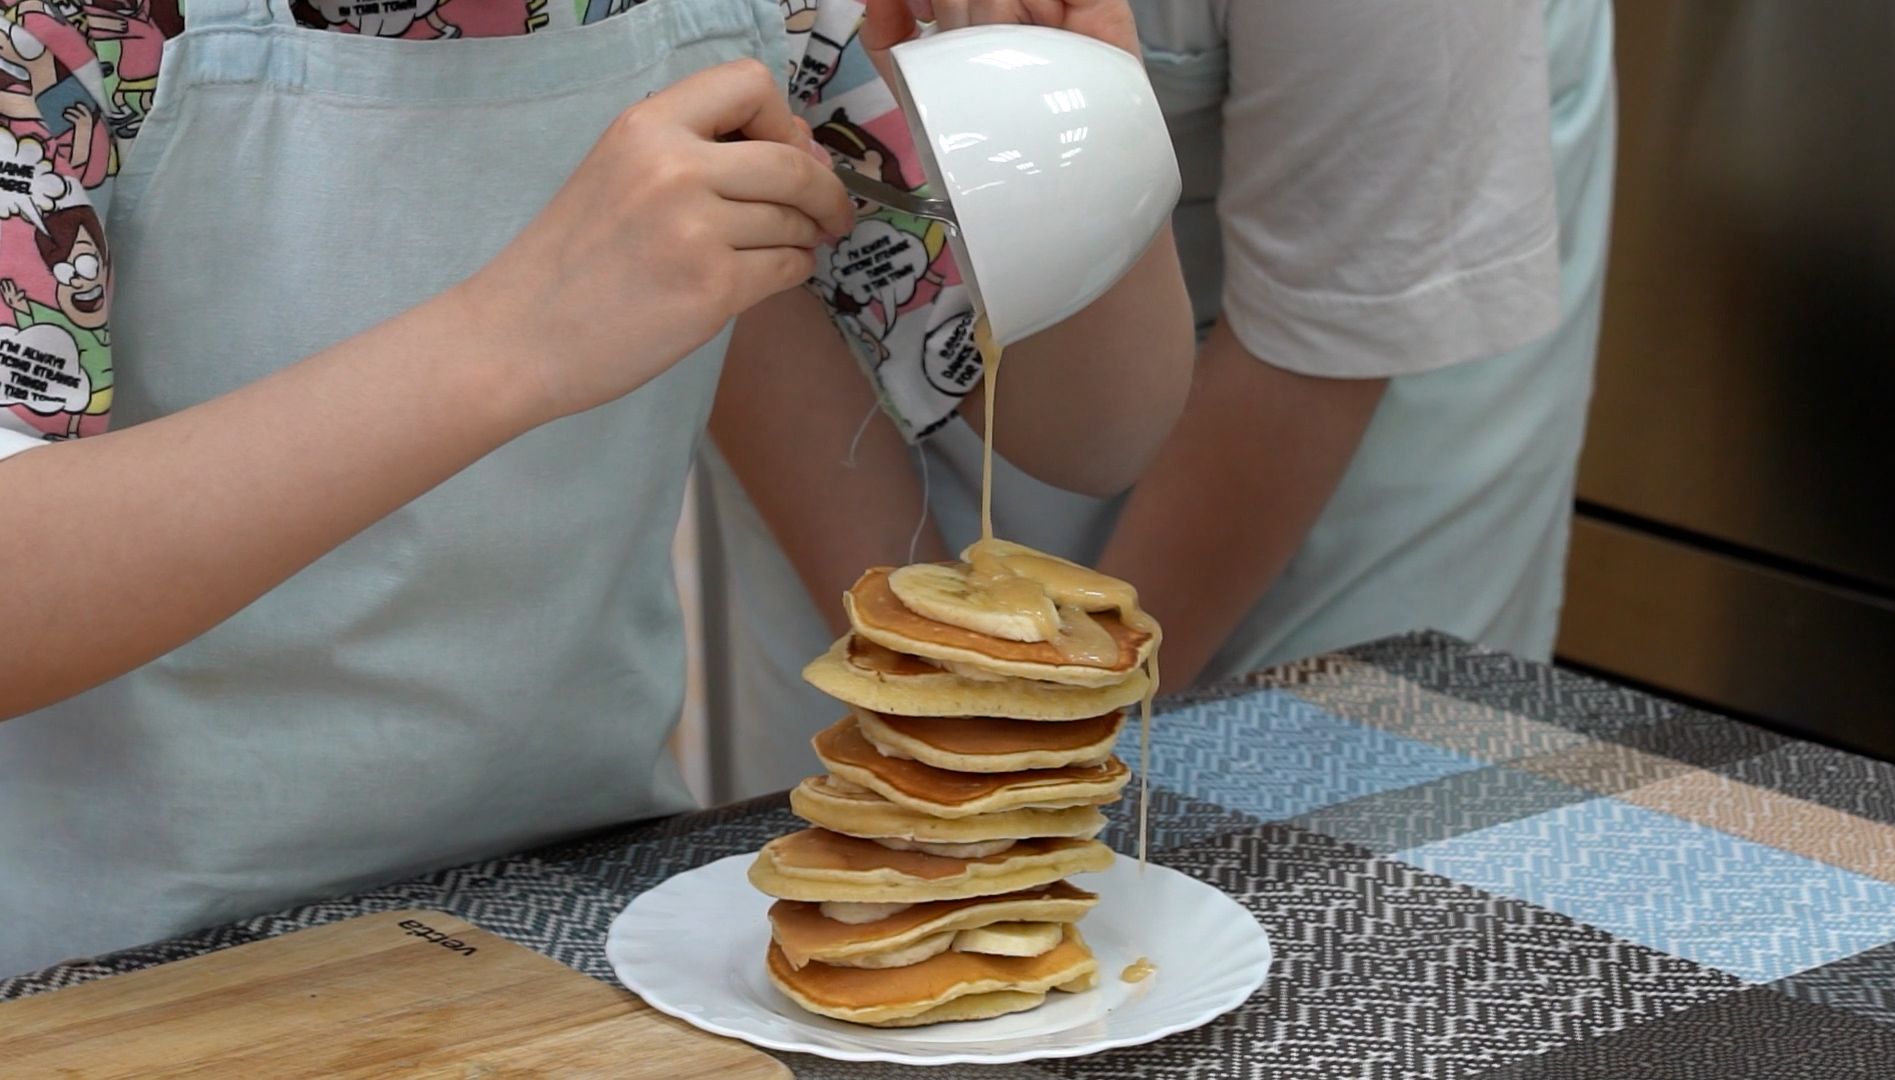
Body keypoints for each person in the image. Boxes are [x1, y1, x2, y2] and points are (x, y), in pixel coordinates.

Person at [0, 0, 1191, 978]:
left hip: (580, 896)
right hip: (106, 957)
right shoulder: (62, 34)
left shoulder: (785, 15)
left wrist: (1086, 112)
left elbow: (1091, 430)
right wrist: (513, 338)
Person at [704, 0, 1616, 797]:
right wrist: (917, 668)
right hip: (840, 346)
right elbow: (731, 214)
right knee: (860, 848)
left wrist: (1069, 717)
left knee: (1325, 849)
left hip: (1335, 347)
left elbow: (1328, 327)